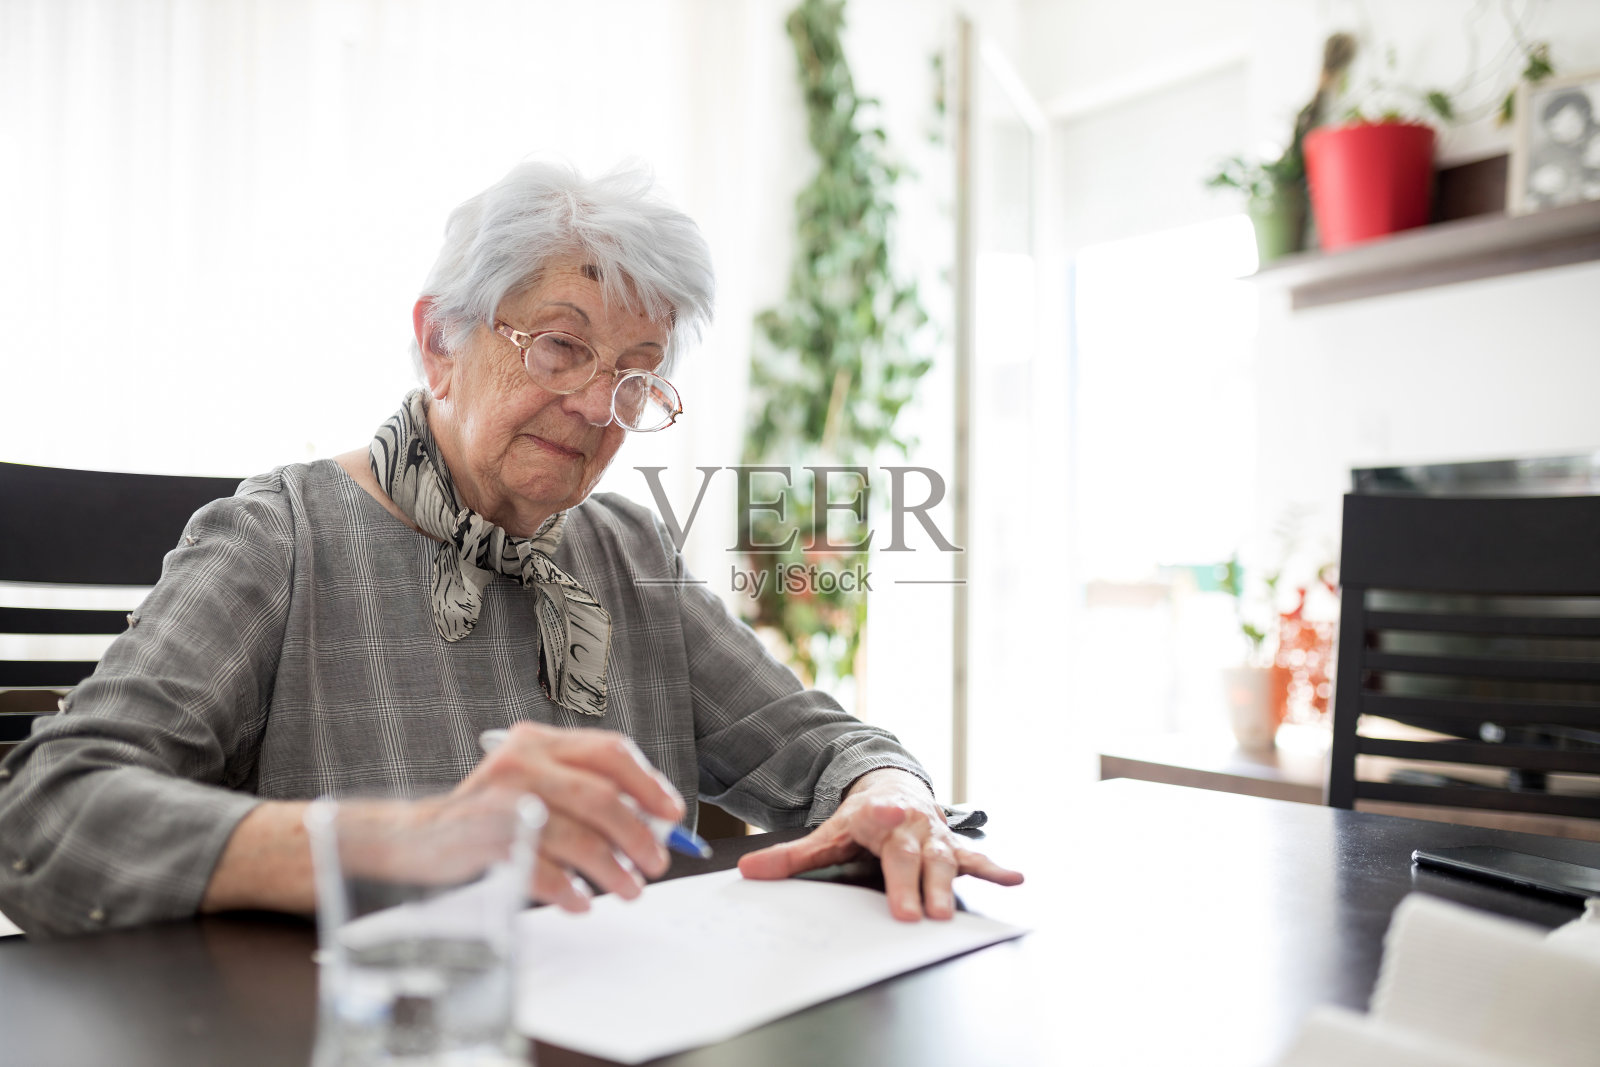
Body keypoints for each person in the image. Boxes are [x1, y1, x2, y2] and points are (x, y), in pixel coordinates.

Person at [0, 161, 1021, 938]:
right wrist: (396, 838)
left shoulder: (625, 549)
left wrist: (888, 794)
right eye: (560, 344)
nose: (593, 405)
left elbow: (825, 746)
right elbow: (47, 811)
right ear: (440, 342)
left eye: (635, 375)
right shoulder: (283, 535)